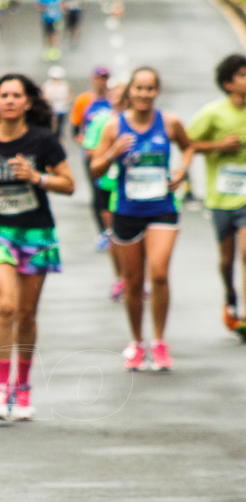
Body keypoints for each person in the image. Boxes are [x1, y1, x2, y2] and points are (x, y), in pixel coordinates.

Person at [0, 73, 75, 420]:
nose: (10, 100)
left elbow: (69, 184)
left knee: (27, 314)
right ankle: (0, 388)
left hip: (36, 233)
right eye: (4, 95)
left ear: (28, 102)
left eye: (16, 95)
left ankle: (22, 386)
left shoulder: (44, 140)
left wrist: (36, 177)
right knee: (6, 307)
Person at [91, 67, 194, 371]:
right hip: (126, 211)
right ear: (130, 93)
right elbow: (95, 169)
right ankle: (137, 342)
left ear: (156, 92)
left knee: (159, 273)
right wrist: (112, 153)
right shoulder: (113, 127)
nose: (144, 94)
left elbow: (188, 148)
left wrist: (181, 170)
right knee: (133, 282)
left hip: (162, 208)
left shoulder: (170, 122)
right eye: (139, 88)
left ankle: (159, 342)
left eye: (150, 89)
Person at [187, 53, 246, 340]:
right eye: (242, 76)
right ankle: (229, 292)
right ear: (227, 83)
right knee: (227, 259)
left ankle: (245, 313)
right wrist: (219, 145)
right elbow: (188, 144)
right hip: (220, 197)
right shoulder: (214, 113)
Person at [82, 78, 130, 301]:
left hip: (134, 186)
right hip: (110, 184)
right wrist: (113, 151)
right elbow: (91, 152)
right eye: (114, 95)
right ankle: (120, 278)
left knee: (138, 239)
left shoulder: (139, 121)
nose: (117, 99)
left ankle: (136, 279)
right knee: (115, 236)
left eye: (122, 95)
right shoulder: (102, 121)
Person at [72, 66, 114, 249]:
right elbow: (76, 130)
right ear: (93, 79)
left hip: (112, 155)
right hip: (91, 155)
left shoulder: (114, 100)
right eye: (98, 77)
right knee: (97, 193)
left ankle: (114, 228)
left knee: (112, 191)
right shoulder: (84, 101)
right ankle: (102, 232)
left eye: (104, 78)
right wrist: (88, 145)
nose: (101, 81)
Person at [42, 65, 71, 141]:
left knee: (60, 128)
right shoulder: (47, 85)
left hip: (61, 110)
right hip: (51, 110)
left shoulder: (64, 85)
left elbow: (68, 97)